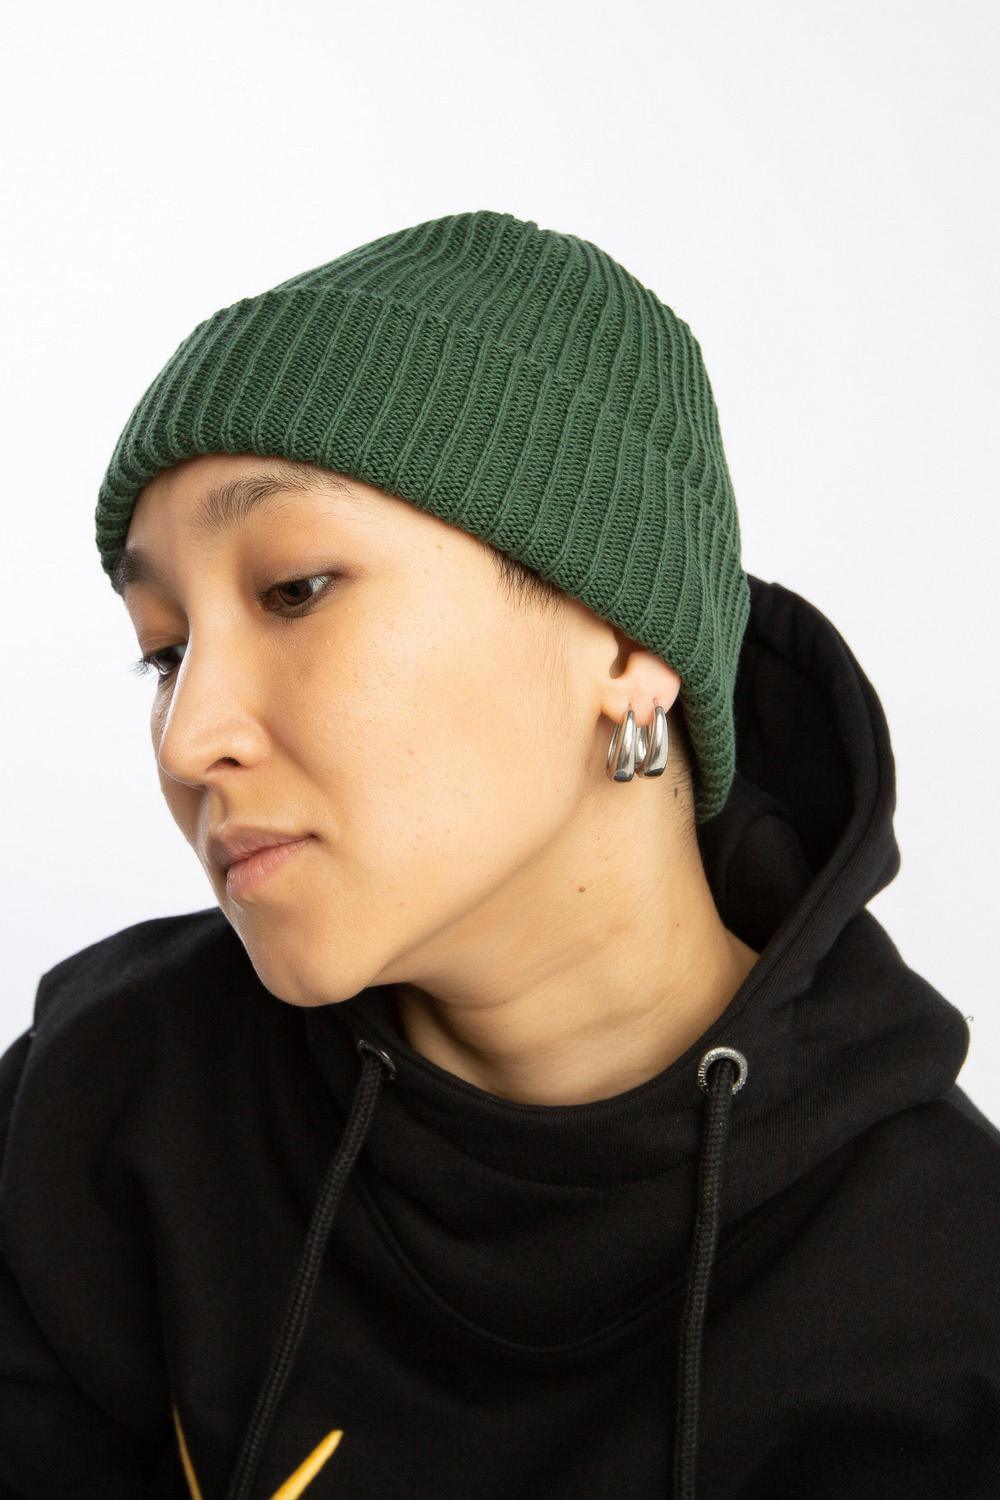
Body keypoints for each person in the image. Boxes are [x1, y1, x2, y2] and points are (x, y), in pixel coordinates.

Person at [1, 210, 997, 1500]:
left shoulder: (943, 1316)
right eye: (164, 650)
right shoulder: (108, 1098)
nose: (190, 739)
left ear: (625, 643)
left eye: (295, 590)